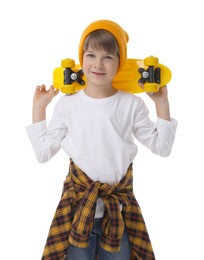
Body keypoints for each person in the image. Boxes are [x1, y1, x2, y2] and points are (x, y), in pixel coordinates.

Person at [26, 20, 178, 260]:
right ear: (81, 58)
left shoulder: (131, 104)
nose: (97, 64)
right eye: (90, 55)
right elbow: (43, 153)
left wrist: (161, 103)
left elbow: (163, 147)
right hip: (77, 214)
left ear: (120, 63)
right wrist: (39, 109)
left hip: (117, 215)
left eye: (107, 57)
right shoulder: (68, 105)